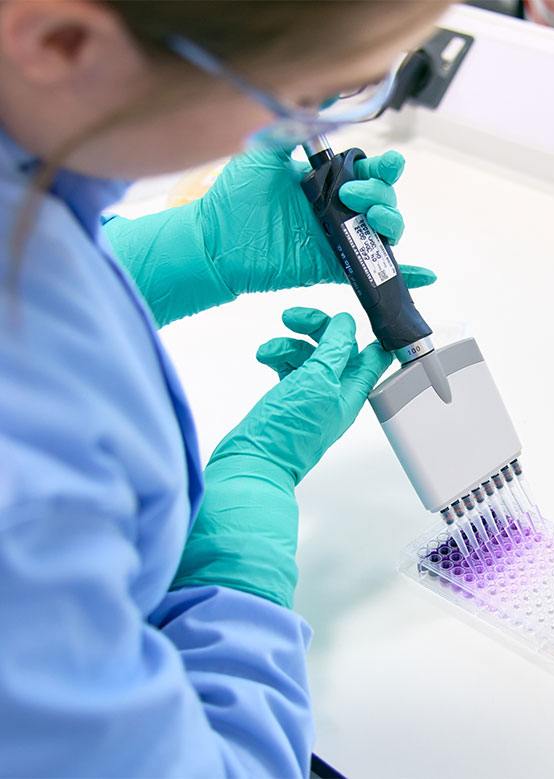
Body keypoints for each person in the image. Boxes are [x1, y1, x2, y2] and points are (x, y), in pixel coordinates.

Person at [0, 1, 448, 776]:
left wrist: (197, 246)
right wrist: (233, 575)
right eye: (298, 100)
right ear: (65, 42)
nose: (311, 140)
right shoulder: (29, 485)